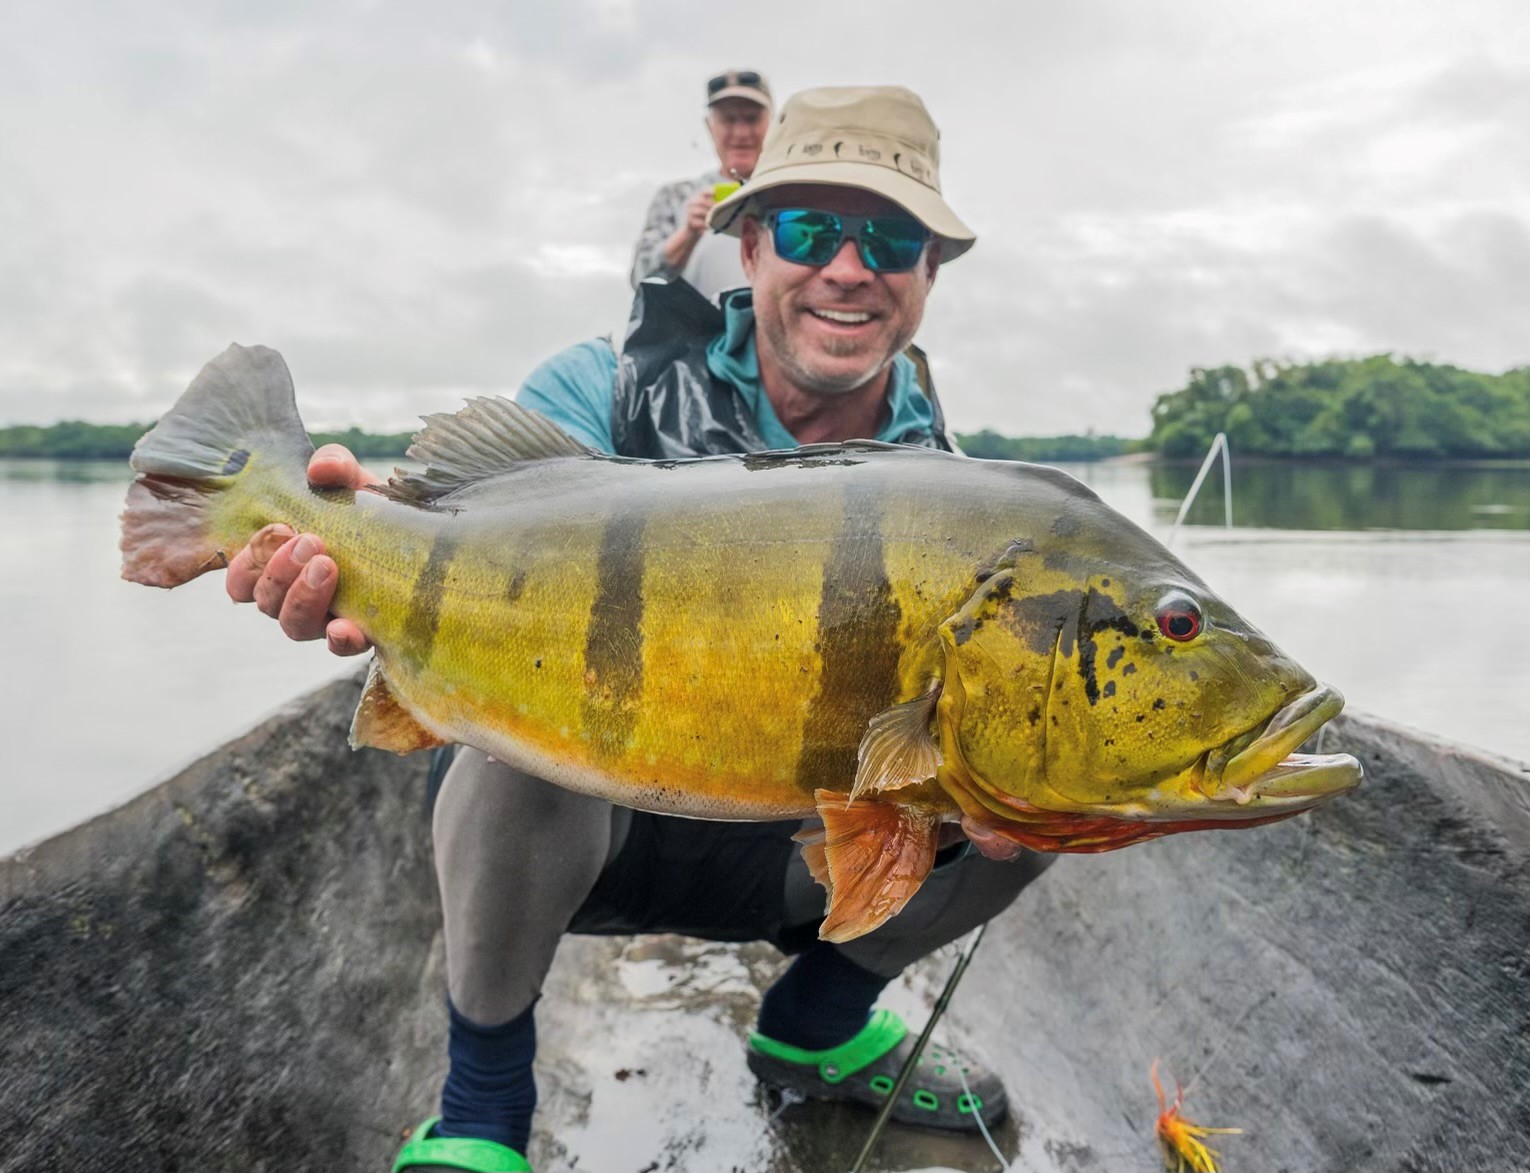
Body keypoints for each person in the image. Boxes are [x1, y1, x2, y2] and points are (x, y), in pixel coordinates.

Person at [228, 86, 1055, 1173]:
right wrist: (354, 556)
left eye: (891, 239)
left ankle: (814, 1025)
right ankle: (482, 1107)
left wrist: (982, 802)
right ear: (751, 246)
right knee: (527, 709)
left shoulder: (959, 507)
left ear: (928, 276)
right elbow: (469, 521)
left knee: (1066, 770)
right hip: (585, 843)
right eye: (811, 230)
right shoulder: (600, 389)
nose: (850, 269)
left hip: (796, 858)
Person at [628, 68, 772, 302]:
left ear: (772, 125)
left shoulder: (791, 195)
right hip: (697, 338)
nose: (741, 132)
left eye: (751, 119)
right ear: (709, 126)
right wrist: (687, 234)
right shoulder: (675, 196)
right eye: (729, 120)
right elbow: (642, 281)